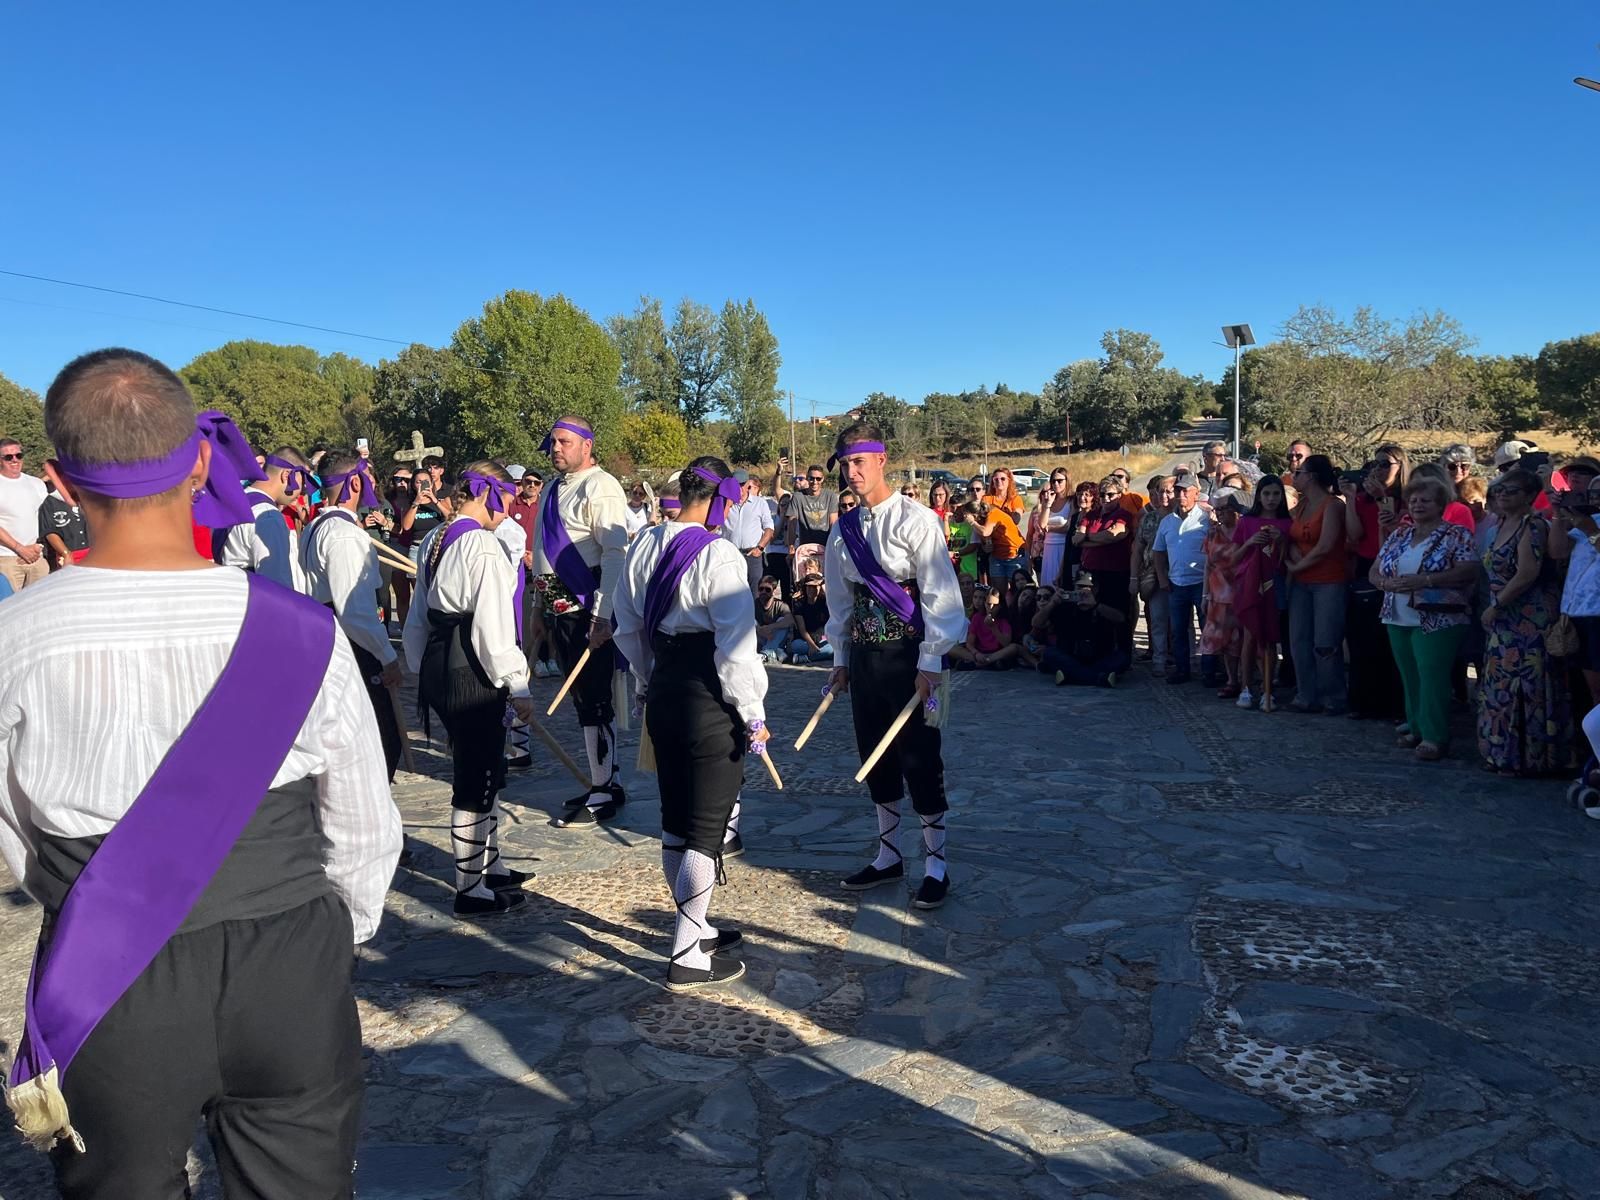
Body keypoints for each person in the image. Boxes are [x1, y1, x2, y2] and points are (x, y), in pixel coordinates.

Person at [1, 348, 400, 1194]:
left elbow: (15, 843)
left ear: (57, 482)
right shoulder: (305, 631)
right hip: (290, 956)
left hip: (109, 968)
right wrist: (333, 943)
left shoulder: (14, 640)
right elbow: (366, 825)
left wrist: (105, 903)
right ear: (203, 461)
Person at [613, 457, 767, 989]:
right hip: (708, 694)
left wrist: (643, 681)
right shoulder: (720, 555)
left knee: (676, 819)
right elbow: (736, 649)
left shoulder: (642, 545)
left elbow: (627, 629)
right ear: (720, 500)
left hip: (664, 688)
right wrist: (753, 714)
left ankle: (695, 927)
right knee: (705, 827)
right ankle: (686, 952)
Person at [824, 424, 964, 910]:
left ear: (882, 460)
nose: (852, 471)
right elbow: (840, 605)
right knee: (875, 756)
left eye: (860, 462)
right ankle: (888, 856)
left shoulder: (917, 520)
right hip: (865, 660)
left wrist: (931, 662)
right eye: (845, 463)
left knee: (923, 756)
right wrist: (841, 660)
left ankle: (936, 864)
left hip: (915, 657)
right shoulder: (843, 531)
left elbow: (942, 595)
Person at [529, 416, 631, 826]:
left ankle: (604, 786)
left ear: (587, 445)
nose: (555, 448)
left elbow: (614, 553)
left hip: (586, 605)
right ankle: (603, 779)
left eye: (564, 442)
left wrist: (602, 615)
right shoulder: (552, 488)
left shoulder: (601, 485)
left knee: (593, 699)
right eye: (553, 441)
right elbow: (540, 549)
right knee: (580, 700)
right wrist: (538, 607)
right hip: (556, 608)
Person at [300, 450, 406, 781]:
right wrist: (387, 656)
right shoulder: (344, 535)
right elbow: (353, 610)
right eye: (369, 478)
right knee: (379, 738)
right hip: (351, 645)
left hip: (333, 637)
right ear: (355, 482)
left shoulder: (317, 526)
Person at [1372, 475, 1480, 762]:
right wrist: (1385, 584)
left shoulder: (1457, 534)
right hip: (1397, 612)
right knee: (1409, 675)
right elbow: (1376, 569)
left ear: (1441, 504)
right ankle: (1417, 726)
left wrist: (1427, 580)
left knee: (1432, 675)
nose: (1418, 505)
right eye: (1414, 500)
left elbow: (1469, 569)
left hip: (1438, 616)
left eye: (1426, 500)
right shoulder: (1400, 534)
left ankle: (1435, 735)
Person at [1477, 468, 1573, 775]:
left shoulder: (1532, 526)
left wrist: (1497, 604)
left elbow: (1527, 573)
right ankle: (1501, 752)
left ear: (1530, 496)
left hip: (1528, 615)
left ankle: (1530, 757)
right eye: (1500, 490)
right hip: (1505, 619)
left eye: (1512, 491)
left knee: (1527, 686)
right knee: (1500, 685)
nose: (1503, 495)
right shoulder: (1502, 523)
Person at [1340, 463, 1404, 723]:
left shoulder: (1404, 500)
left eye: (1385, 464)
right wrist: (1350, 498)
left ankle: (1392, 704)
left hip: (1395, 567)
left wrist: (1382, 499)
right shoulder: (1360, 500)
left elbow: (1391, 537)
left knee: (1388, 642)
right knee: (1362, 639)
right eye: (1372, 468)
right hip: (1366, 568)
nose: (1376, 473)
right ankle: (1362, 701)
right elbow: (1354, 535)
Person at [1285, 454, 1349, 714]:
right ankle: (1305, 694)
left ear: (1311, 477)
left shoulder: (1333, 505)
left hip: (1328, 581)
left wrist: (1298, 565)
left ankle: (1333, 696)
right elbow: (1290, 536)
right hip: (1301, 582)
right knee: (1298, 639)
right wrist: (1292, 559)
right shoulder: (1300, 506)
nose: (1294, 477)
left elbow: (1326, 545)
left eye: (1298, 473)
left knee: (1325, 642)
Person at [1233, 477, 1293, 709]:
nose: (1271, 499)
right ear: (1259, 495)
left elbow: (1289, 560)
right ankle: (1246, 687)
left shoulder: (1287, 523)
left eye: (1276, 494)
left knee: (1269, 636)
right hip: (1250, 582)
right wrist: (1250, 543)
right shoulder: (1247, 521)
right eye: (1266, 494)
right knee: (1249, 636)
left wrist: (1283, 541)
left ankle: (1268, 689)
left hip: (1275, 582)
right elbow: (1233, 557)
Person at [215, 444, 309, 592]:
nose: (303, 491)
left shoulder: (236, 502)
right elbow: (277, 587)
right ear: (286, 475)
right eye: (303, 481)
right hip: (253, 605)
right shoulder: (268, 516)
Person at [1550, 473, 1600, 717]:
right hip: (1576, 612)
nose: (1597, 498)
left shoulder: (1589, 525)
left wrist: (1593, 531)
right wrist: (1559, 514)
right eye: (1593, 494)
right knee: (1580, 690)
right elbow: (1558, 552)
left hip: (1597, 615)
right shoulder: (1586, 522)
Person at [1153, 476, 1208, 684]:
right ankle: (1182, 669)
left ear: (1196, 492)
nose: (1181, 495)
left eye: (1186, 491)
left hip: (1201, 582)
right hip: (1176, 583)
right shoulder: (1167, 522)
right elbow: (1158, 552)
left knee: (1207, 628)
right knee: (1178, 630)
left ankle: (1209, 669)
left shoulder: (1205, 519)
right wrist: (1162, 579)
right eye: (1178, 491)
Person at [1035, 571, 1129, 686]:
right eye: (1079, 587)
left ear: (1095, 589)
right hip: (1070, 656)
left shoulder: (1101, 606)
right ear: (1074, 587)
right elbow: (1036, 623)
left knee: (1122, 658)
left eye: (1087, 588)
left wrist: (1095, 605)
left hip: (1098, 658)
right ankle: (1098, 678)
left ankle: (1070, 676)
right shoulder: (1065, 606)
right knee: (1049, 654)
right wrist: (1052, 603)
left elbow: (1121, 618)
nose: (1081, 591)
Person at [1076, 476, 1135, 654]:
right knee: (1090, 611)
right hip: (1090, 571)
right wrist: (1100, 538)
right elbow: (1076, 539)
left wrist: (1088, 538)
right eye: (1102, 495)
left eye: (1110, 494)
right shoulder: (1090, 515)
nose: (1106, 498)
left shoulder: (1124, 515)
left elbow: (1115, 535)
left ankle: (1122, 654)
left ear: (1119, 495)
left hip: (1115, 572)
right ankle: (1097, 651)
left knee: (1116, 614)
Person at [1199, 489, 1244, 696]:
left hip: (1242, 592)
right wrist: (1205, 595)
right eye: (1216, 510)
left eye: (1224, 509)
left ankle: (1249, 681)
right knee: (1224, 641)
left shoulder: (1246, 531)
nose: (1220, 514)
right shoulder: (1213, 534)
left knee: (1244, 639)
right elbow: (1208, 565)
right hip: (1218, 595)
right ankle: (1231, 680)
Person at [1134, 475, 1173, 675]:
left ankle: (1188, 661)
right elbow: (1138, 549)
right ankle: (1159, 659)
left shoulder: (1187, 516)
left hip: (1182, 576)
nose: (1163, 495)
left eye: (1168, 491)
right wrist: (1134, 578)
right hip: (1153, 576)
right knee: (1157, 619)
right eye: (1160, 491)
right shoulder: (1149, 518)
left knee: (1182, 623)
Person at [0, 437, 49, 592]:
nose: (14, 460)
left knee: (39, 606)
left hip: (36, 557)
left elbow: (46, 518)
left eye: (18, 455)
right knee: (8, 610)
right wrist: (19, 548)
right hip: (7, 558)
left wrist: (37, 547)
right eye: (8, 457)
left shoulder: (36, 484)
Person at [721, 471, 775, 596]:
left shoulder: (759, 503)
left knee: (755, 593)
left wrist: (760, 548)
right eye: (736, 485)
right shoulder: (725, 504)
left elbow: (769, 528)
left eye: (741, 484)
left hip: (752, 554)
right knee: (730, 592)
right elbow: (717, 527)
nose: (739, 488)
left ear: (748, 486)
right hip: (731, 555)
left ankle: (755, 616)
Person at [789, 463, 838, 585]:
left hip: (825, 546)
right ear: (807, 478)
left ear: (823, 479)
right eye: (811, 478)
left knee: (825, 582)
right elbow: (792, 522)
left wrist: (834, 546)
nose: (814, 482)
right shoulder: (798, 497)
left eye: (818, 478)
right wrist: (790, 546)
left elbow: (833, 523)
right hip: (805, 548)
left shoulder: (830, 496)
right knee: (804, 581)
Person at [953, 584, 1020, 670]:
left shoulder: (1003, 621)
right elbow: (969, 643)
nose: (991, 607)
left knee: (1013, 647)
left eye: (994, 605)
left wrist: (993, 627)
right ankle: (990, 663)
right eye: (988, 604)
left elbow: (1006, 644)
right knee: (952, 649)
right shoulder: (977, 617)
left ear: (1000, 606)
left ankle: (981, 664)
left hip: (996, 653)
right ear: (984, 604)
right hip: (979, 653)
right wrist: (976, 653)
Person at [39, 480, 90, 567]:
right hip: (70, 553)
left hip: (93, 552)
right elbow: (50, 532)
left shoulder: (87, 498)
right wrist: (65, 553)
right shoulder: (50, 502)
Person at [788, 570, 833, 663]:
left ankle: (804, 658)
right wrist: (811, 645)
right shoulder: (799, 604)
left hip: (821, 640)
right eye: (809, 586)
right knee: (796, 646)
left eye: (814, 586)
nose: (811, 589)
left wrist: (822, 586)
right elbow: (802, 629)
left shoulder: (824, 603)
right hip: (804, 641)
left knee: (832, 649)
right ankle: (816, 655)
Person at [1039, 469, 1073, 588]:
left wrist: (1050, 528)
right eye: (1053, 481)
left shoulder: (1071, 501)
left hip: (1063, 546)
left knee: (1061, 583)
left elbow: (1068, 527)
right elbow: (1041, 524)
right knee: (1047, 584)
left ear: (1067, 481)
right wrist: (1047, 504)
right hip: (1048, 547)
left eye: (1060, 481)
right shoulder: (1049, 500)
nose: (1056, 484)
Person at [755, 574, 794, 661]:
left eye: (767, 589)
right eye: (761, 589)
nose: (763, 592)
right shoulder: (754, 604)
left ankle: (767, 652)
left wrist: (770, 627)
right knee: (751, 621)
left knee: (783, 620)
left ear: (774, 591)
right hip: (760, 637)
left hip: (774, 636)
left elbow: (790, 621)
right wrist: (759, 630)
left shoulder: (780, 605)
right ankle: (774, 652)